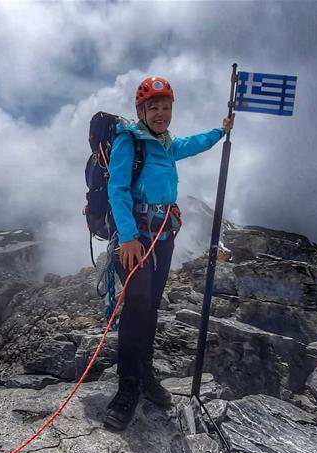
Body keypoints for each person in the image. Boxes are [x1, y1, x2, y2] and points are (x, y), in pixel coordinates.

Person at [103, 76, 234, 431]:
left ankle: (145, 375)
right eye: (154, 108)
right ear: (141, 111)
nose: (161, 113)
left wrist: (220, 132)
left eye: (166, 107)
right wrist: (128, 238)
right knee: (137, 306)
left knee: (151, 307)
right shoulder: (129, 141)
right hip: (134, 239)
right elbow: (117, 189)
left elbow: (192, 144)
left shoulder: (166, 144)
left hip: (162, 237)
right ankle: (127, 388)